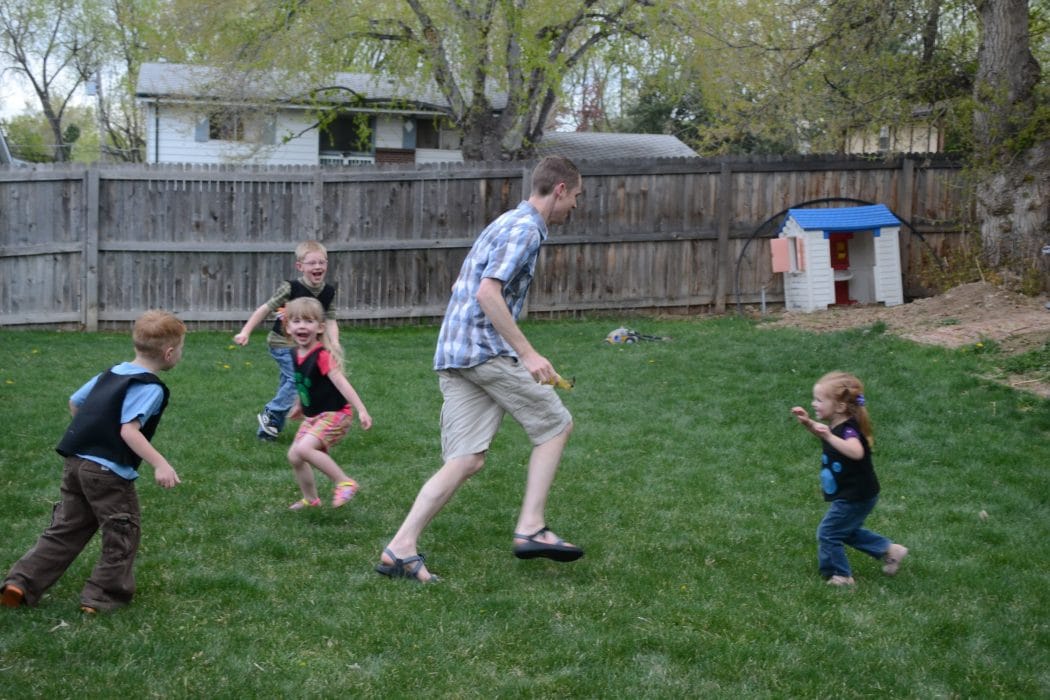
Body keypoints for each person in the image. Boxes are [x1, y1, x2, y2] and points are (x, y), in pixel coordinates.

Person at [376, 155, 585, 583]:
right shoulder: (526, 230)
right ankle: (531, 527)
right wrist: (527, 353)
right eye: (576, 197)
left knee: (466, 459)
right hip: (482, 350)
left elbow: (462, 284)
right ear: (560, 190)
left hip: (455, 352)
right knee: (555, 424)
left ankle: (399, 549)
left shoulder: (504, 221)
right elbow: (488, 293)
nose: (576, 207)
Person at [1, 310, 186, 613]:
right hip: (107, 472)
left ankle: (20, 582)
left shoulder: (112, 372)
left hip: (75, 463)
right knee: (121, 531)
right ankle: (103, 596)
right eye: (180, 349)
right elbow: (129, 431)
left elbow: (76, 402)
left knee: (67, 527)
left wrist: (94, 434)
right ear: (168, 352)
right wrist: (160, 464)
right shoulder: (150, 387)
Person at [791, 371, 908, 586]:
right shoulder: (836, 425)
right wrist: (808, 423)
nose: (814, 403)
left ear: (840, 407)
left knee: (828, 533)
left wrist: (827, 435)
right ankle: (889, 550)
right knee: (846, 531)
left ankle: (841, 576)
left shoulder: (849, 431)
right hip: (856, 492)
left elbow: (856, 452)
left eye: (819, 400)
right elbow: (824, 433)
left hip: (857, 495)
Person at [233, 240, 339, 441]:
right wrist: (246, 331)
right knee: (297, 380)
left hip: (305, 347)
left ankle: (267, 432)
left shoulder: (328, 292)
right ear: (300, 266)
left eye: (322, 262)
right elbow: (265, 308)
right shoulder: (291, 287)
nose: (318, 267)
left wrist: (334, 343)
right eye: (311, 263)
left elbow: (331, 319)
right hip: (282, 343)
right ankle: (271, 412)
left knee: (287, 385)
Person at [282, 297, 372, 510]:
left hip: (336, 414)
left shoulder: (322, 356)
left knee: (304, 449)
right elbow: (304, 383)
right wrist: (299, 405)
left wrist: (362, 410)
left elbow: (342, 384)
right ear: (288, 327)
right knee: (294, 456)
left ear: (320, 328)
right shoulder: (295, 354)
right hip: (314, 416)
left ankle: (344, 482)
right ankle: (311, 500)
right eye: (296, 321)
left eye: (308, 321)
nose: (302, 326)